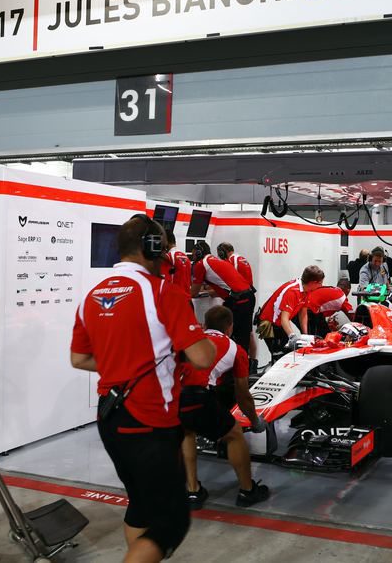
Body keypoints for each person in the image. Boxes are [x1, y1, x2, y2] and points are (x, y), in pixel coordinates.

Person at [70, 214, 216, 563]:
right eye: (163, 248)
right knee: (171, 520)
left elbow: (79, 358)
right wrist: (205, 339)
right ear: (153, 248)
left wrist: (124, 363)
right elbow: (200, 357)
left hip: (110, 417)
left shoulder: (91, 295)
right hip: (150, 421)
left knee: (141, 506)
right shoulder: (164, 292)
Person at [180, 306, 269, 511]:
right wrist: (255, 421)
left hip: (173, 394)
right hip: (197, 394)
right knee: (234, 434)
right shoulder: (235, 349)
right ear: (229, 328)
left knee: (187, 431)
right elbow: (243, 394)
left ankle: (193, 491)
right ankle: (248, 491)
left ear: (205, 324)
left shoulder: (193, 338)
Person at [189, 241, 256, 363]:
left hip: (239, 300)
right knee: (244, 336)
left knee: (233, 336)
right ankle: (245, 367)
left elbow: (193, 292)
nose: (192, 258)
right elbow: (224, 286)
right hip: (247, 297)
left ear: (199, 253)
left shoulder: (201, 264)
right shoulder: (216, 261)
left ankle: (235, 368)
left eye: (193, 255)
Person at [256, 266, 325, 359]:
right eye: (320, 283)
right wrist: (292, 336)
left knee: (288, 353)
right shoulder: (292, 291)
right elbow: (284, 318)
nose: (321, 285)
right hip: (268, 323)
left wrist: (305, 335)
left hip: (280, 323)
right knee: (279, 355)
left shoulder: (307, 290)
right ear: (313, 282)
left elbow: (303, 313)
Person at [161, 230, 192, 296]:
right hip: (187, 297)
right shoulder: (186, 257)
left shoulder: (169, 256)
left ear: (165, 241)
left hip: (176, 297)